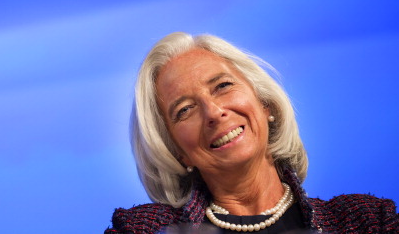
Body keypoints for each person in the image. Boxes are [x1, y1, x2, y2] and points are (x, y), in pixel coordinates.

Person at [105, 32, 398, 233]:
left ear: (265, 103)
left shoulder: (365, 220)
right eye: (185, 110)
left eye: (222, 86)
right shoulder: (145, 229)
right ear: (175, 151)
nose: (214, 112)